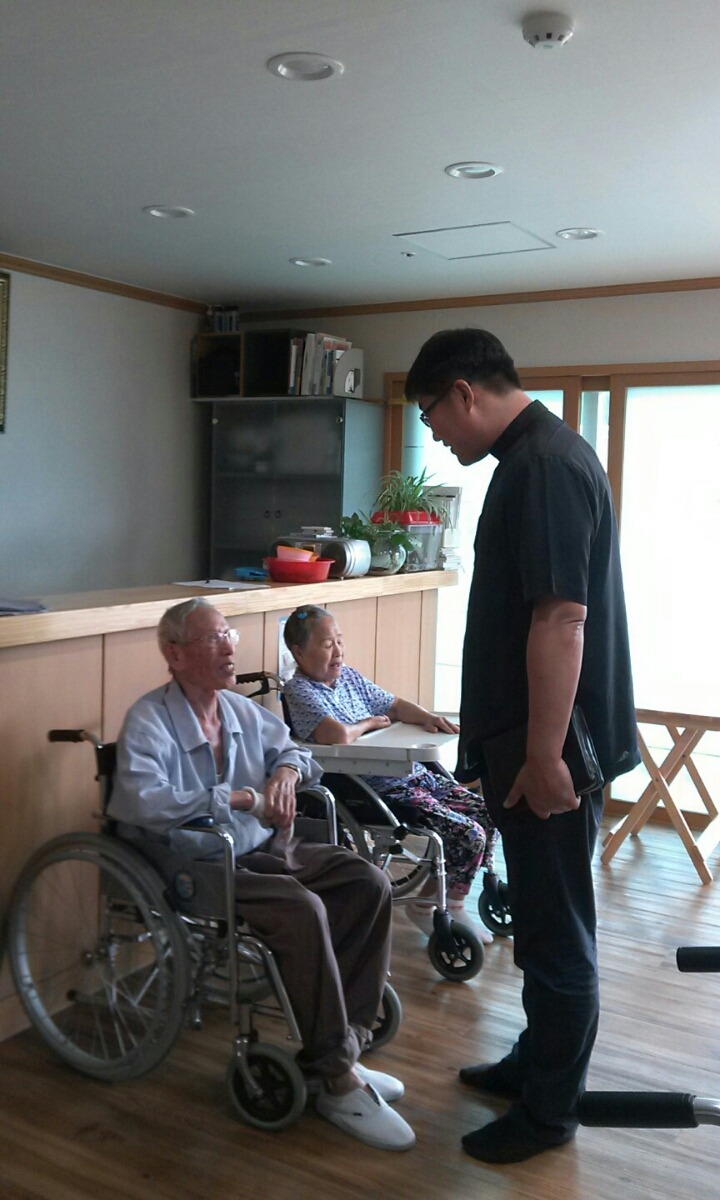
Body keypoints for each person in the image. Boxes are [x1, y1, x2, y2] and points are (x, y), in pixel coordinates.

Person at [404, 328, 639, 1164]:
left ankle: (550, 1113)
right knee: (541, 924)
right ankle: (535, 1065)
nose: (433, 432)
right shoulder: (537, 457)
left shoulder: (542, 466)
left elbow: (562, 619)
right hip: (536, 748)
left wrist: (544, 757)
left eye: (431, 413)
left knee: (556, 930)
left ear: (464, 392)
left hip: (553, 754)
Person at [107, 597, 415, 1152]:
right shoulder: (149, 720)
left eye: (229, 636)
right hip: (202, 864)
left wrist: (285, 775)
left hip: (266, 847)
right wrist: (241, 797)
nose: (229, 648)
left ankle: (344, 1049)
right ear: (174, 653)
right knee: (303, 910)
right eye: (213, 639)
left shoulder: (239, 710)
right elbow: (143, 801)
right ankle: (338, 1078)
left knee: (367, 883)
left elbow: (296, 752)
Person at [282, 604, 498, 942]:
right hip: (373, 789)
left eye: (339, 641)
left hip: (409, 775)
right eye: (326, 644)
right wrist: (370, 723)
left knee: (489, 812)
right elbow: (335, 734)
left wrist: (428, 718)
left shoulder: (349, 677)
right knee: (467, 833)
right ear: (298, 652)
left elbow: (394, 706)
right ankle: (444, 907)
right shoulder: (299, 690)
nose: (337, 651)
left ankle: (433, 899)